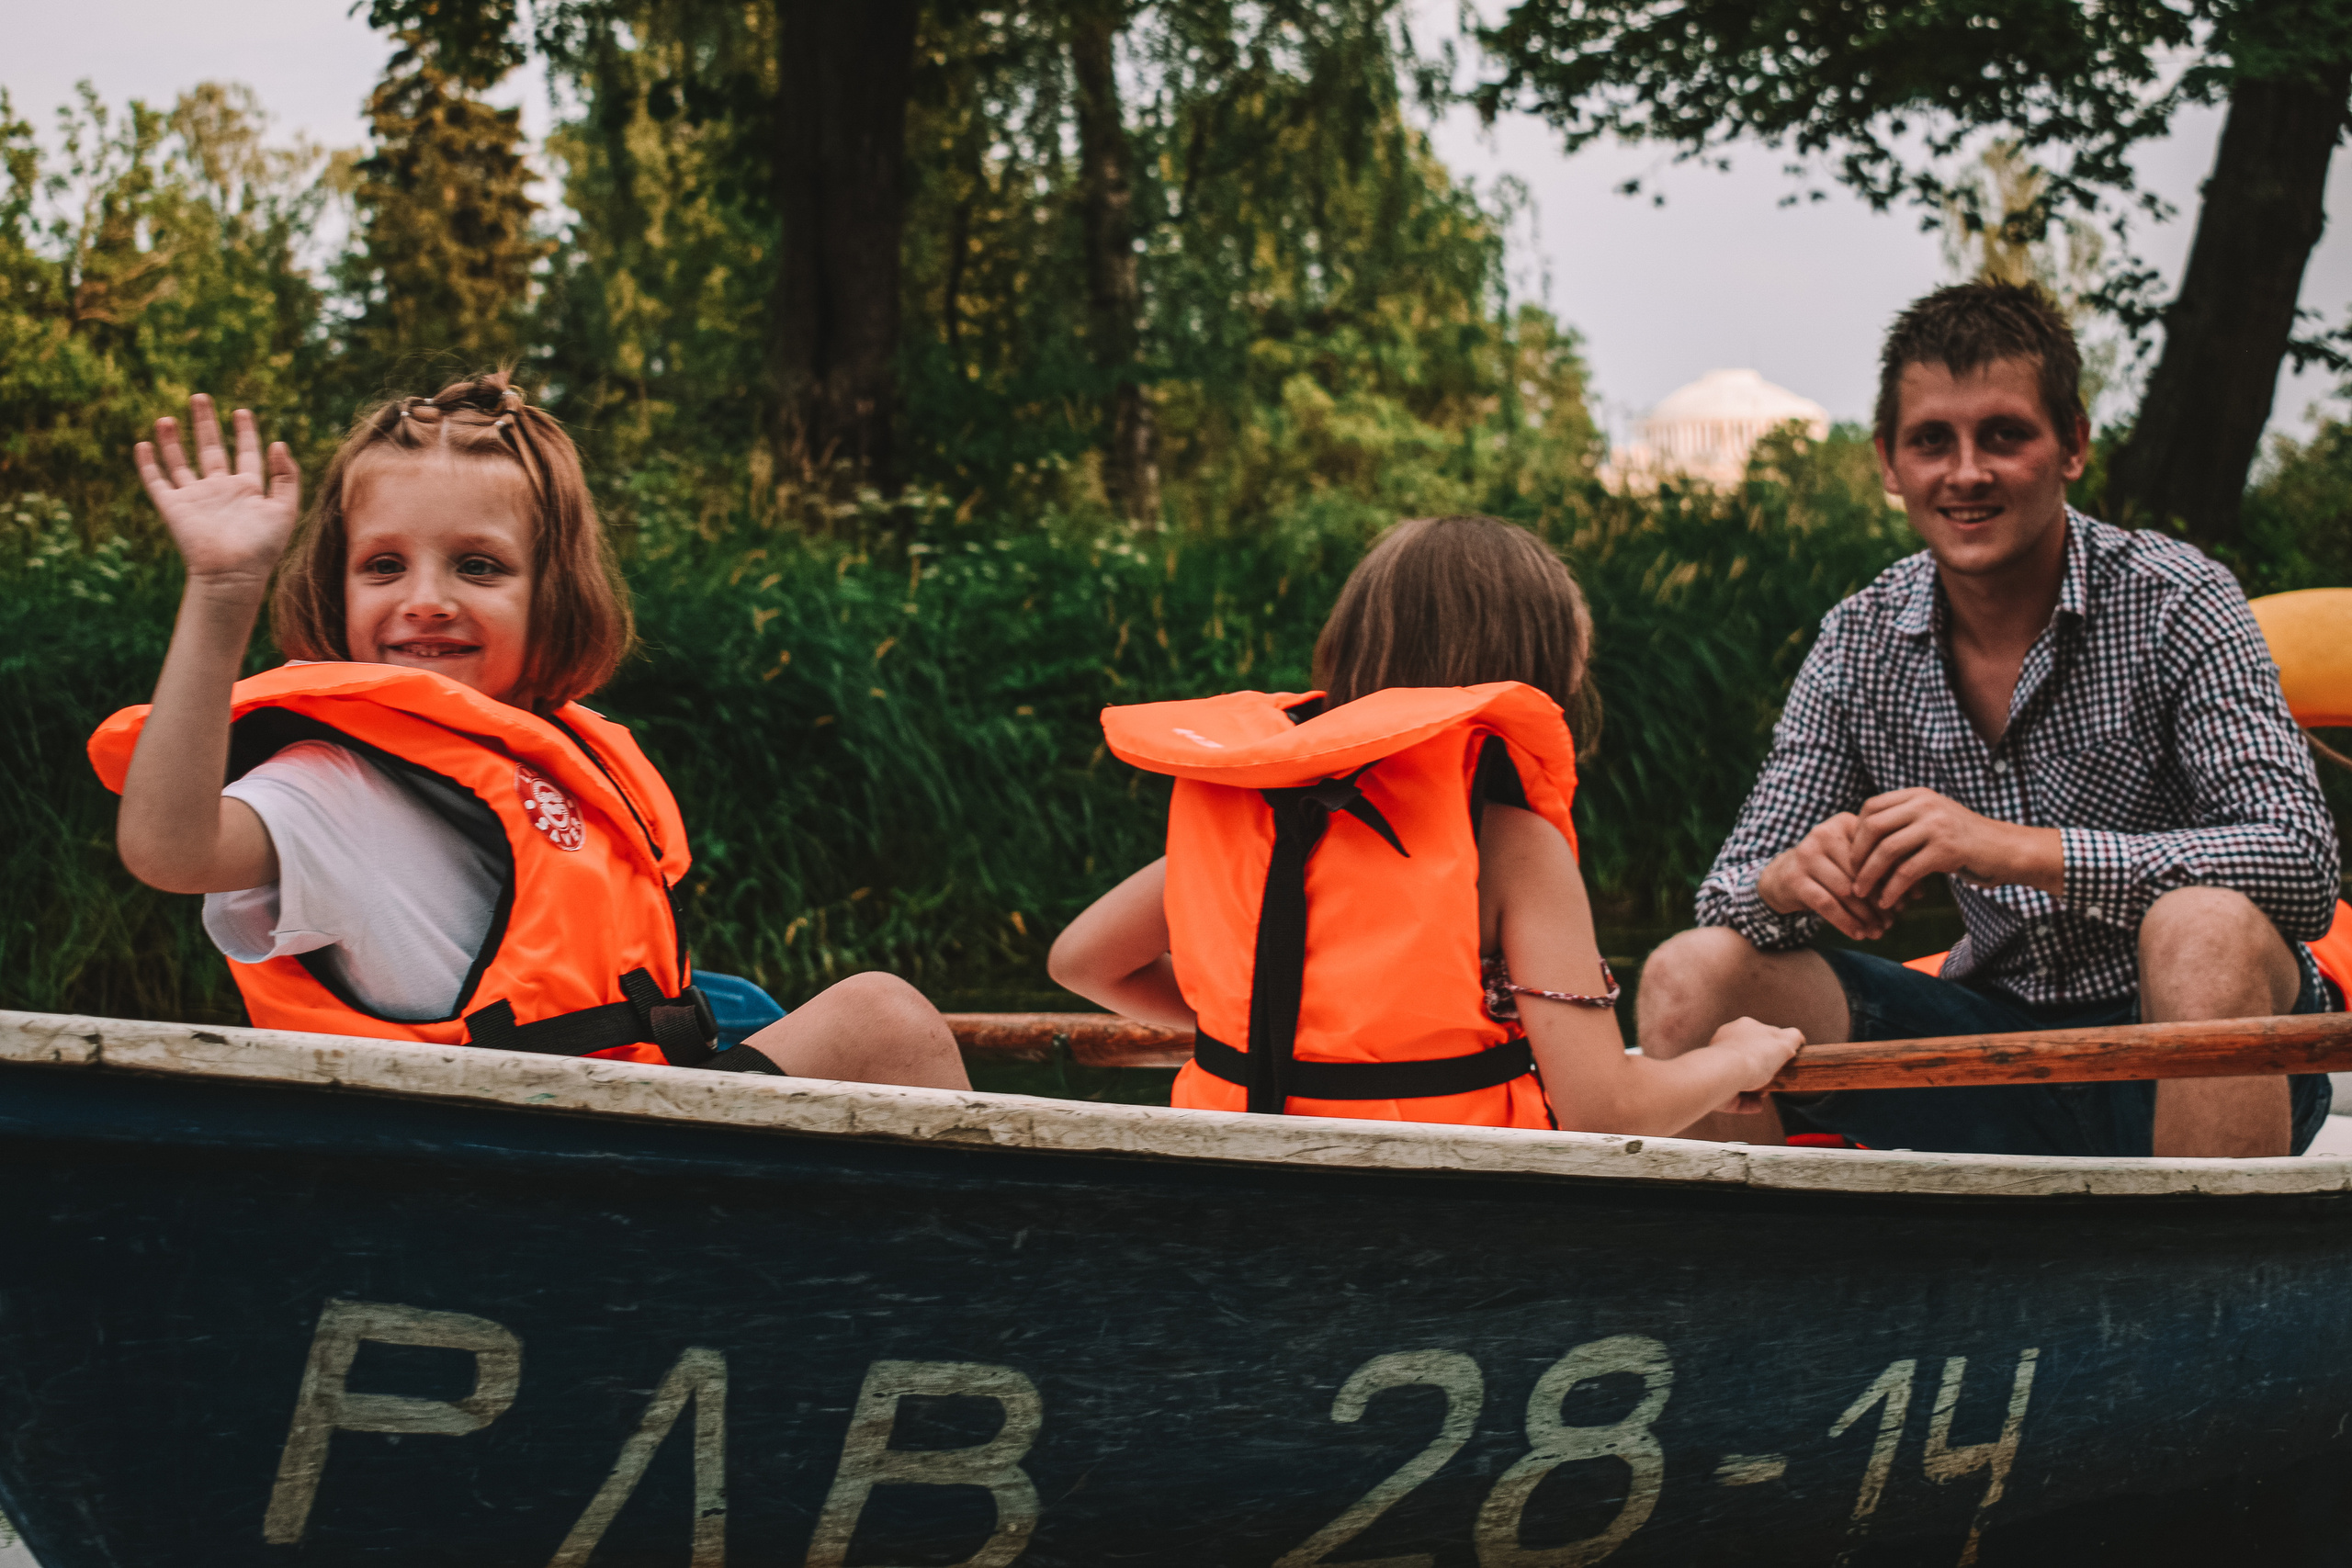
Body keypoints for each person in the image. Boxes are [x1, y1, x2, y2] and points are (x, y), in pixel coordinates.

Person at [90, 379, 967, 1090]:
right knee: (881, 1018)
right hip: (486, 1166)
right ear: (336, 587)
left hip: (611, 1139)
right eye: (384, 565)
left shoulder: (558, 759)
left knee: (736, 999)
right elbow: (171, 846)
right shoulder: (329, 785)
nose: (425, 599)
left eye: (478, 566)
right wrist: (223, 591)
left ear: (552, 594)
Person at [1637, 282, 2343, 1158]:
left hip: (2189, 1042)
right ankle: (1760, 1251)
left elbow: (2300, 860)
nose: (1966, 472)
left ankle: (2211, 1253)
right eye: (1932, 440)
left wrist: (2010, 848)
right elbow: (1725, 895)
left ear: (2072, 445)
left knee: (2200, 925)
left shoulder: (2179, 598)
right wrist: (1786, 882)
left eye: (2005, 435)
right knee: (1687, 975)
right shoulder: (1859, 639)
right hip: (1991, 1053)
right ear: (1889, 462)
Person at [1048, 514, 1802, 1132]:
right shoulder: (1510, 846)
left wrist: (1269, 1027)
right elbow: (1605, 1111)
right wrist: (1736, 1057)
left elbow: (1083, 962)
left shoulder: (1265, 808)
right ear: (1537, 673)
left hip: (1236, 1196)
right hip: (1440, 1217)